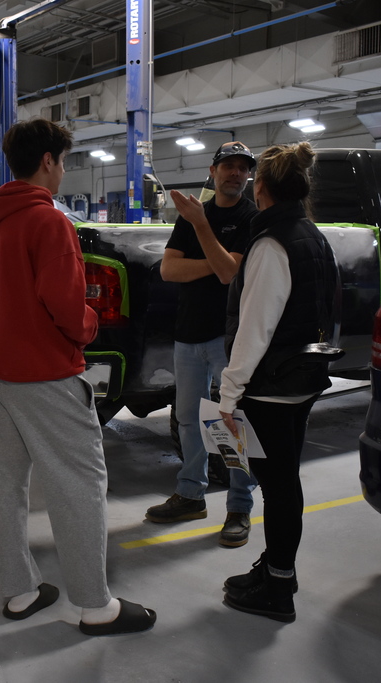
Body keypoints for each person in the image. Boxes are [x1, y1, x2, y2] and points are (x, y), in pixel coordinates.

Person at [0, 118, 157, 636]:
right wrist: (88, 327)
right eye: (64, 161)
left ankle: (20, 591)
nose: (64, 170)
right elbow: (69, 308)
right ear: (47, 160)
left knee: (9, 484)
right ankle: (95, 605)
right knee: (81, 484)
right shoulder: (49, 223)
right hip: (46, 376)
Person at [211, 141, 339, 622]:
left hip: (270, 388)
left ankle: (278, 586)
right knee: (284, 483)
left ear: (260, 187)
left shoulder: (270, 244)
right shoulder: (310, 234)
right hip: (301, 381)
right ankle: (275, 568)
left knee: (279, 489)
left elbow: (255, 328)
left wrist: (228, 393)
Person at [145, 141, 260, 548]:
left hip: (228, 336)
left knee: (229, 421)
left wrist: (202, 231)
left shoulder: (251, 218)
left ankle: (239, 506)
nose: (234, 173)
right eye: (227, 166)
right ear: (213, 172)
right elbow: (169, 269)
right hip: (188, 334)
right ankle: (191, 494)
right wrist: (213, 258)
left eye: (242, 168)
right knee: (190, 420)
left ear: (249, 175)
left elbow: (231, 274)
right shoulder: (196, 215)